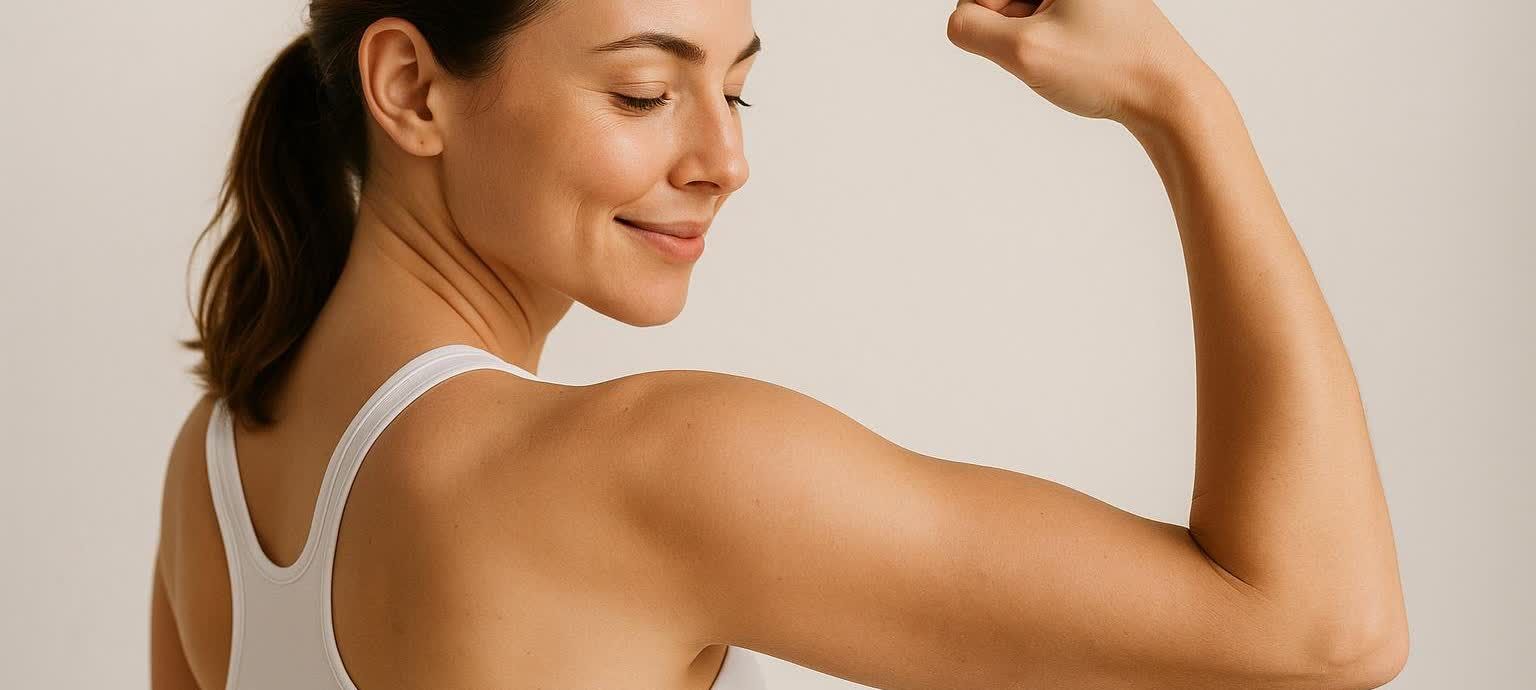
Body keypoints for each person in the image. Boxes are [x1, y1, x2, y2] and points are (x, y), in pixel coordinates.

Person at [150, 0, 1410, 687]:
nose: (727, 160)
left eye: (735, 85)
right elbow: (1322, 634)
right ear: (413, 89)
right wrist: (1182, 101)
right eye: (645, 92)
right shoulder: (647, 471)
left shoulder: (215, 466)